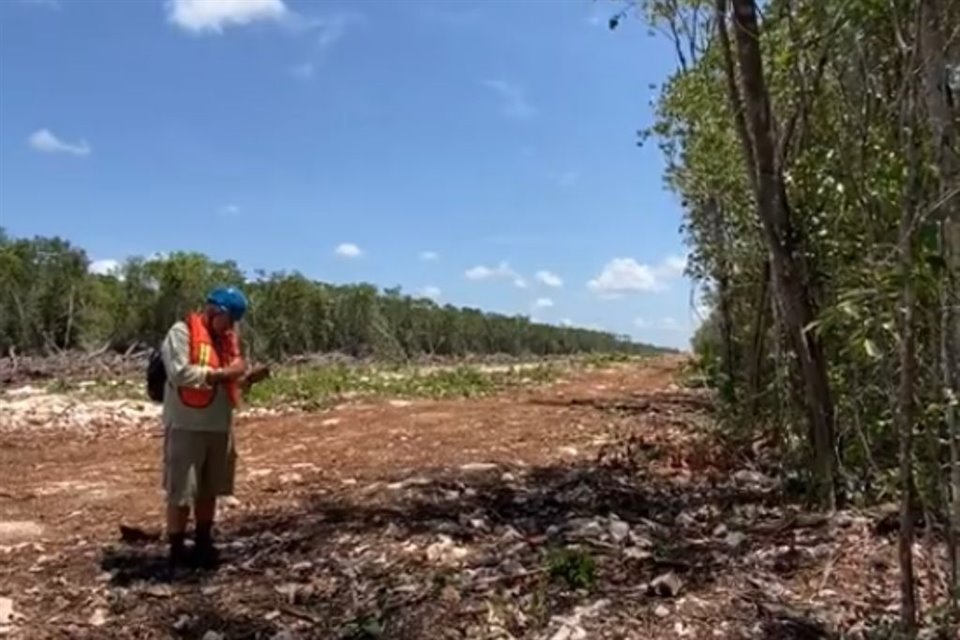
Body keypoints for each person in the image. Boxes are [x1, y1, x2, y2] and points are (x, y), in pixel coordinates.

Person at [159, 286, 263, 574]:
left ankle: (203, 543)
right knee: (181, 491)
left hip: (219, 426)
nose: (231, 327)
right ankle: (177, 551)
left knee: (209, 489)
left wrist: (245, 379)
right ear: (215, 311)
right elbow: (180, 373)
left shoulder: (226, 340)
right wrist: (220, 375)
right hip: (187, 425)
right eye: (228, 320)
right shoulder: (181, 334)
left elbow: (230, 380)